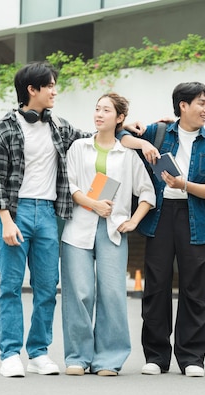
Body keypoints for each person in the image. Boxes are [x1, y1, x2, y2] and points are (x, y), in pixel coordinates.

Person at [0, 61, 94, 378]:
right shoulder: (2, 129)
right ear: (31, 90)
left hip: (48, 214)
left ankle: (39, 352)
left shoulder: (58, 126)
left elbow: (93, 138)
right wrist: (5, 220)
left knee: (47, 288)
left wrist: (137, 132)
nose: (54, 91)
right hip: (15, 214)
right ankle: (9, 354)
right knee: (11, 287)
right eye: (49, 86)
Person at [121, 82, 205, 377]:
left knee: (194, 289)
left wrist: (185, 186)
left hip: (193, 217)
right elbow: (118, 136)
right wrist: (140, 139)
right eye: (201, 103)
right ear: (182, 105)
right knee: (156, 286)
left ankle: (192, 357)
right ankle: (156, 356)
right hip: (161, 214)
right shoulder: (158, 132)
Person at [60, 93, 156, 377]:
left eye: (106, 110)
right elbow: (71, 185)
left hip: (113, 231)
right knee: (79, 293)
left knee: (112, 294)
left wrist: (133, 221)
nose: (99, 114)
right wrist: (94, 204)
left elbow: (147, 192)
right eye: (97, 109)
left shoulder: (127, 155)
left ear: (120, 118)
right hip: (78, 228)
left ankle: (108, 360)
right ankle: (77, 357)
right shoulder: (78, 147)